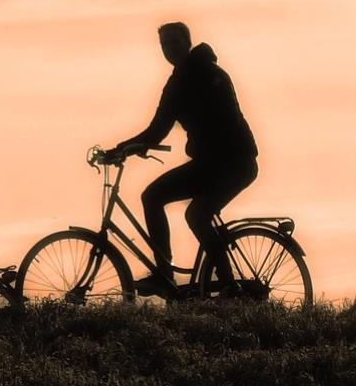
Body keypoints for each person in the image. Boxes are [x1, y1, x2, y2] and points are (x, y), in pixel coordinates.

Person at [111, 22, 259, 296]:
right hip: (213, 163)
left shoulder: (204, 76)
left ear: (187, 42)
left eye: (174, 43)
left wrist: (126, 147)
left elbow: (162, 130)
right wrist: (127, 147)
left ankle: (226, 285)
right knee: (160, 199)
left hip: (233, 163)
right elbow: (158, 128)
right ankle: (169, 276)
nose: (169, 49)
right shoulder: (183, 79)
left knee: (190, 212)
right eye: (164, 45)